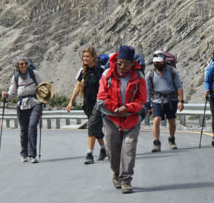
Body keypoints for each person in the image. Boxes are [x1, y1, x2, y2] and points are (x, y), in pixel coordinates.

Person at [97, 45, 147, 194]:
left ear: (132, 64)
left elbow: (142, 99)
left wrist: (128, 108)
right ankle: (115, 173)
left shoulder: (138, 77)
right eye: (119, 63)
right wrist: (116, 109)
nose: (122, 66)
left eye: (126, 63)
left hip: (132, 119)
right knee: (113, 150)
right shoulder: (107, 74)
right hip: (111, 119)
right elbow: (101, 98)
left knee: (129, 149)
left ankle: (126, 180)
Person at [66, 46, 108, 165]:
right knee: (96, 128)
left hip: (99, 103)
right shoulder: (83, 70)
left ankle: (89, 153)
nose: (85, 58)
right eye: (84, 56)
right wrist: (71, 101)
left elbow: (105, 85)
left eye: (87, 56)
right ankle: (104, 149)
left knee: (91, 126)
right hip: (87, 104)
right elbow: (78, 86)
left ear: (93, 57)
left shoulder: (100, 69)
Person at [3, 58, 43, 163]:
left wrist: (44, 101)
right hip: (21, 106)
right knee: (24, 130)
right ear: (18, 66)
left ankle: (32, 155)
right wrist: (6, 95)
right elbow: (12, 94)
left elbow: (43, 87)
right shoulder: (15, 77)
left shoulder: (34, 74)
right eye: (21, 64)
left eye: (26, 63)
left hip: (35, 103)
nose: (24, 65)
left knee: (32, 126)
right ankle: (24, 153)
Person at [146, 50, 184, 151]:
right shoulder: (150, 74)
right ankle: (156, 143)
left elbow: (179, 86)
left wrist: (181, 101)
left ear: (164, 60)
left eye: (159, 61)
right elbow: (148, 90)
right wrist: (147, 105)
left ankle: (171, 139)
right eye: (155, 62)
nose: (157, 63)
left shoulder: (172, 71)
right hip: (157, 100)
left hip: (171, 99)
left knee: (171, 120)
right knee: (156, 120)